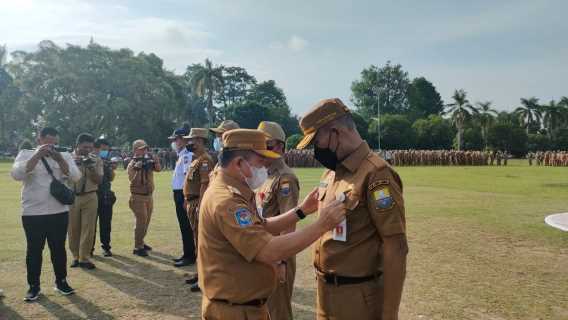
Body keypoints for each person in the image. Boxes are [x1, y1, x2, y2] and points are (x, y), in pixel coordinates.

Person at [198, 129, 347, 320]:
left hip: (245, 307)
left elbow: (263, 226)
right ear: (239, 163)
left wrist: (301, 211)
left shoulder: (236, 190)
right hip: (235, 311)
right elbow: (268, 250)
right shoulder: (226, 201)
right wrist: (322, 225)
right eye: (260, 163)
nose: (264, 169)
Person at [296, 98, 408, 320]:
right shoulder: (331, 174)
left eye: (317, 142)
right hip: (325, 294)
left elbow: (395, 246)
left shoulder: (377, 175)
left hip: (358, 300)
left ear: (335, 132)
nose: (316, 150)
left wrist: (389, 315)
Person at [11, 127, 81, 302]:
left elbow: (75, 176)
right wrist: (37, 156)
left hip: (59, 211)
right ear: (39, 140)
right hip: (33, 212)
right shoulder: (26, 154)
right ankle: (33, 286)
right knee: (34, 250)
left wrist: (59, 159)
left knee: (58, 249)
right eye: (47, 142)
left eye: (54, 143)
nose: (50, 146)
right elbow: (16, 174)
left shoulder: (63, 155)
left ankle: (61, 282)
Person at [257, 121, 300, 320]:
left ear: (281, 147)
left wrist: (281, 260)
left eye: (268, 145)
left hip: (278, 254)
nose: (262, 151)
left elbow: (289, 222)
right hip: (263, 251)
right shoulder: (264, 176)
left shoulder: (285, 178)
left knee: (278, 311)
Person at [182, 128, 214, 292]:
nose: (189, 143)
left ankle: (204, 277)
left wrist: (201, 206)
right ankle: (199, 272)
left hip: (197, 204)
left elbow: (204, 184)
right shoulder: (196, 159)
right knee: (196, 240)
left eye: (192, 140)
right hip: (191, 202)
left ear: (200, 141)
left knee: (201, 241)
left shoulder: (205, 160)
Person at [69, 133, 103, 270]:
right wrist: (74, 163)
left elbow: (99, 180)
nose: (88, 150)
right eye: (84, 147)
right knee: (73, 228)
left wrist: (90, 166)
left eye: (90, 147)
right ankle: (75, 256)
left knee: (88, 228)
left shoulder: (96, 159)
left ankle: (84, 258)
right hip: (72, 196)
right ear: (77, 145)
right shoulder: (68, 158)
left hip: (90, 196)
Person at [128, 140, 162, 257]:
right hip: (137, 197)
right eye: (141, 149)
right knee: (141, 221)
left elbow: (158, 169)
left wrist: (155, 160)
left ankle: (141, 241)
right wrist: (137, 169)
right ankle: (137, 247)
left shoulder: (147, 162)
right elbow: (133, 182)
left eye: (145, 149)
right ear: (135, 150)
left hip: (149, 196)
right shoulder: (131, 164)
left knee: (146, 222)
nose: (144, 151)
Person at [168, 128, 196, 267]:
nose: (174, 142)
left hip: (183, 193)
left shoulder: (187, 156)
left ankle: (190, 256)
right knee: (183, 225)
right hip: (179, 193)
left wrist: (185, 197)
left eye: (176, 139)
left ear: (183, 139)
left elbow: (187, 178)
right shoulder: (181, 154)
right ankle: (187, 254)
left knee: (186, 226)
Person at [92, 138, 117, 257]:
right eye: (102, 150)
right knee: (90, 224)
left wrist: (111, 168)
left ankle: (106, 247)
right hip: (92, 195)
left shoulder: (106, 161)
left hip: (106, 195)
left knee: (106, 223)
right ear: (96, 148)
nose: (104, 152)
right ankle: (89, 248)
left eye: (106, 150)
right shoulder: (90, 160)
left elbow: (111, 178)